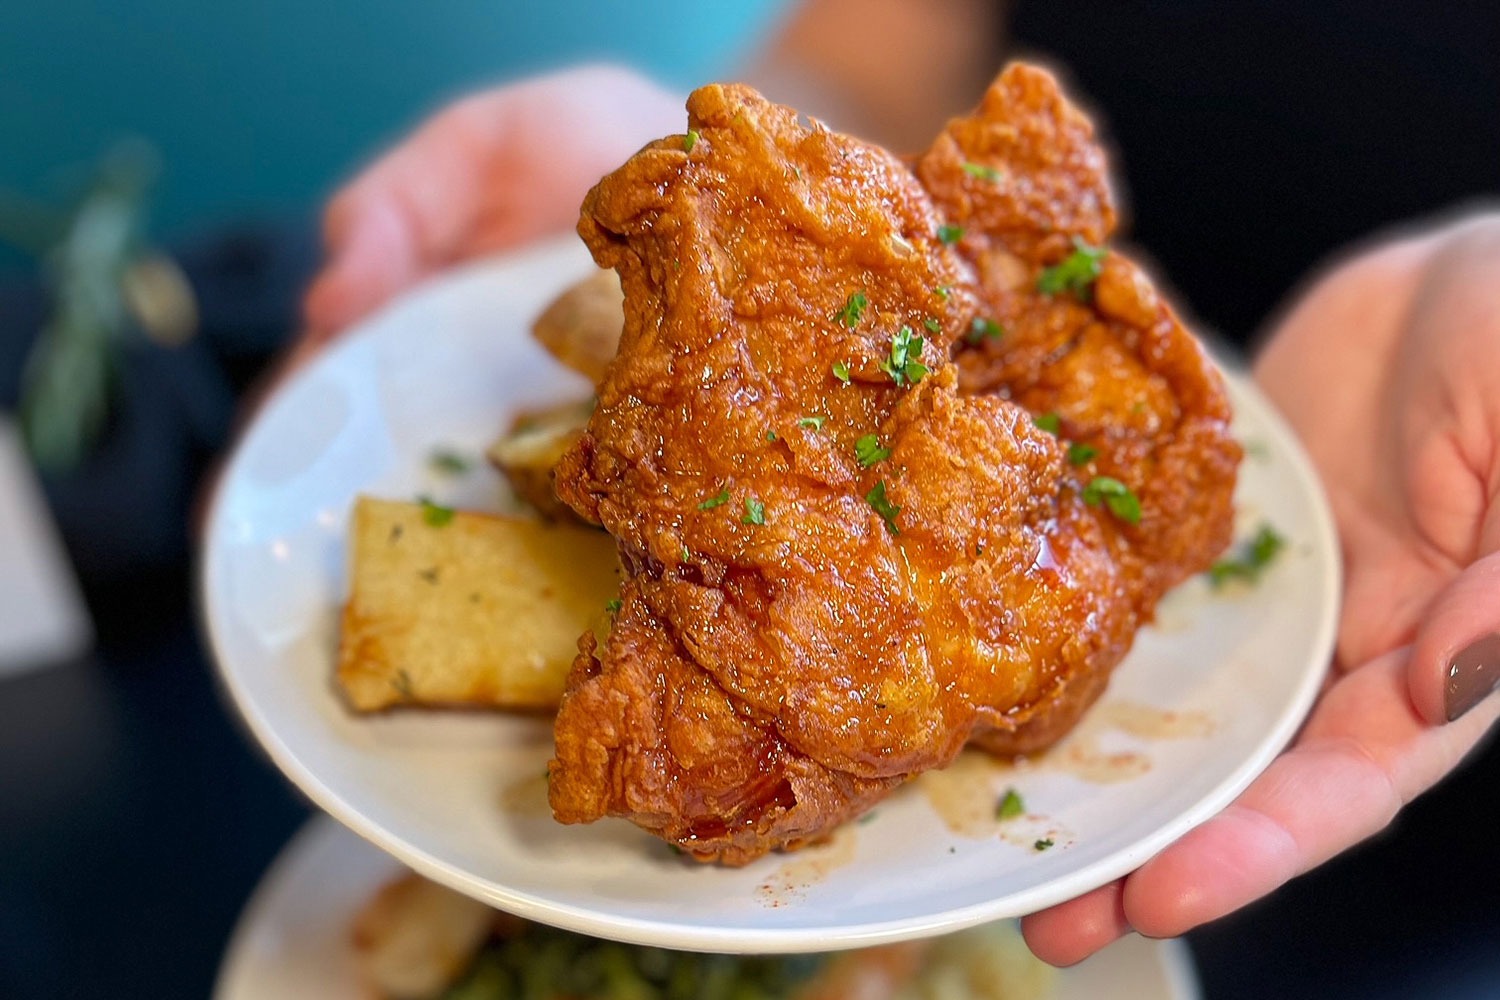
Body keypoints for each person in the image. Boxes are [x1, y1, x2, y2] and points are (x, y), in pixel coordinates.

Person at [292, 17, 1500, 968]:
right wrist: (718, 145)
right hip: (912, 262)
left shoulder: (1074, 451)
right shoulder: (832, 282)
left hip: (1422, 869)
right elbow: (858, 65)